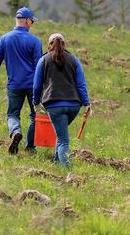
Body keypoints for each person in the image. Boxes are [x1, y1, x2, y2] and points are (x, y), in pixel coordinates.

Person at [0, 7, 43, 154]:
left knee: (12, 114)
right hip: (32, 85)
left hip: (14, 85)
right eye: (32, 22)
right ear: (27, 21)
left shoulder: (5, 39)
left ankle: (15, 130)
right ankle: (30, 147)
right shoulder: (35, 41)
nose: (32, 24)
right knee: (35, 115)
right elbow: (39, 66)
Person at [32, 32, 91, 167]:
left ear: (49, 45)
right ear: (64, 44)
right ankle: (56, 164)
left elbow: (36, 85)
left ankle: (67, 169)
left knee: (63, 139)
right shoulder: (74, 60)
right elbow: (81, 84)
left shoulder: (43, 60)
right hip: (74, 106)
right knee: (61, 134)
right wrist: (87, 103)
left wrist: (36, 103)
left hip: (54, 106)